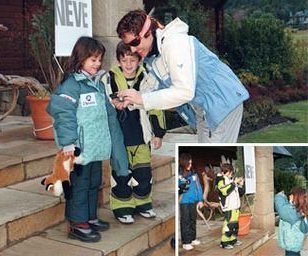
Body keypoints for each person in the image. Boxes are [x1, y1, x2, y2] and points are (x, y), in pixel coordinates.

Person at [116, 9, 249, 143]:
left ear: (148, 33)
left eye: (134, 43)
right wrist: (131, 101)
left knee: (212, 152)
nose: (132, 50)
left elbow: (184, 92)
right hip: (204, 109)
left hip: (223, 101)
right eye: (128, 45)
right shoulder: (153, 56)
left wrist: (141, 99)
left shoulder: (175, 44)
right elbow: (151, 90)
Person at [47, 36, 128, 242]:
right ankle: (77, 223)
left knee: (94, 183)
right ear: (81, 58)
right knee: (80, 186)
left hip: (95, 148)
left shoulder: (98, 83)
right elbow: (63, 114)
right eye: (93, 60)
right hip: (80, 150)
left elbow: (103, 111)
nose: (97, 64)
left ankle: (89, 217)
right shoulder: (72, 86)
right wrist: (68, 143)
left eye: (99, 59)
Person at [104, 41, 166, 224]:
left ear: (139, 59)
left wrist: (159, 133)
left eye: (133, 60)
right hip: (119, 137)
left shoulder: (147, 78)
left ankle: (143, 204)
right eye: (124, 60)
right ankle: (122, 207)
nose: (129, 64)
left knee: (143, 172)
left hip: (141, 135)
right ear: (118, 61)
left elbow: (156, 107)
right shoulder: (109, 79)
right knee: (121, 173)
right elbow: (107, 104)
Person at [215, 163, 245, 249]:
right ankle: (224, 242)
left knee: (235, 224)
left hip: (235, 206)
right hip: (228, 206)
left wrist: (241, 184)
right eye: (231, 172)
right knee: (228, 224)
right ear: (227, 172)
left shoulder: (230, 180)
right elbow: (225, 191)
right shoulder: (221, 180)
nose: (232, 174)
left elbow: (240, 193)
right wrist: (234, 183)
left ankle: (232, 239)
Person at [179, 153, 203, 251]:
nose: (190, 165)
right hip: (184, 201)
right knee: (185, 221)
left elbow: (199, 187)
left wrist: (200, 200)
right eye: (188, 163)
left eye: (191, 163)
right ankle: (186, 242)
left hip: (193, 201)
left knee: (193, 220)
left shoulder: (194, 174)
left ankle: (192, 238)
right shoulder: (179, 175)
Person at [275, 188, 308, 256]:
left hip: (291, 248)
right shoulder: (301, 209)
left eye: (292, 194)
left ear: (296, 197)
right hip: (295, 246)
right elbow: (288, 207)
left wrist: (280, 195)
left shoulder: (293, 213)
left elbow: (281, 208)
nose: (289, 196)